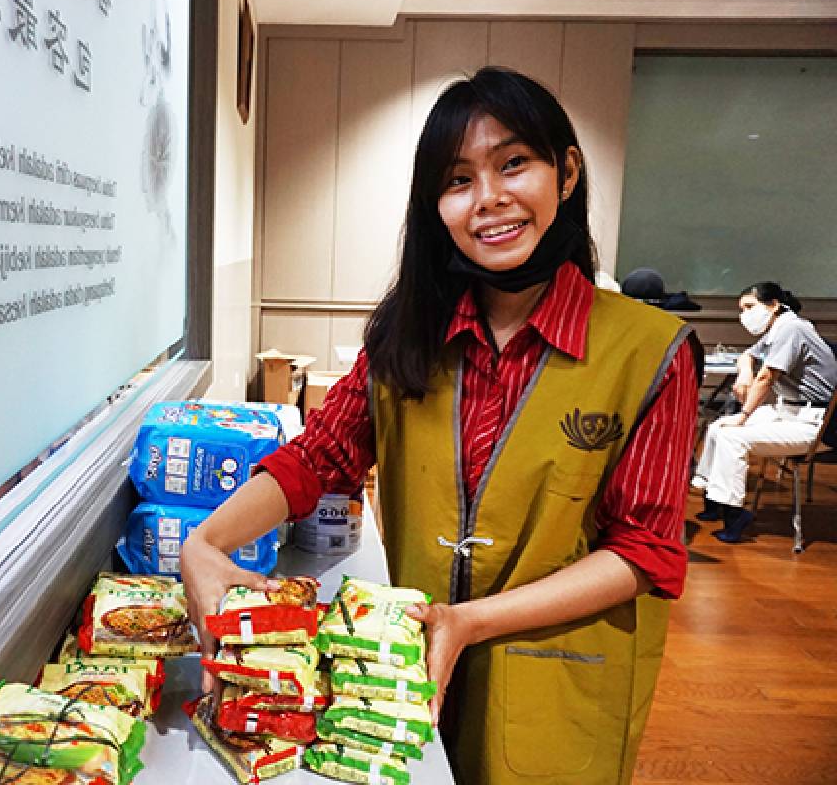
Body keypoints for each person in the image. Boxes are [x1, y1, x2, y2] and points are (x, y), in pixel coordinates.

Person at [181, 67, 700, 784]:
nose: (489, 199)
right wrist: (206, 543)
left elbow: (644, 551)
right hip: (402, 667)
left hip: (558, 673)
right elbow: (323, 454)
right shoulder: (409, 333)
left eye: (513, 163)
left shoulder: (650, 351)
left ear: (567, 171)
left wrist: (471, 621)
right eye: (458, 180)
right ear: (436, 206)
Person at [693, 283, 837, 542]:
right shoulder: (780, 327)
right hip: (789, 412)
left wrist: (745, 414)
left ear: (773, 305)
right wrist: (746, 371)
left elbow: (767, 377)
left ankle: (734, 513)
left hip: (815, 421)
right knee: (718, 427)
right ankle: (714, 498)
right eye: (741, 309)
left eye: (750, 307)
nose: (744, 315)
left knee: (732, 436)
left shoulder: (792, 328)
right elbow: (748, 355)